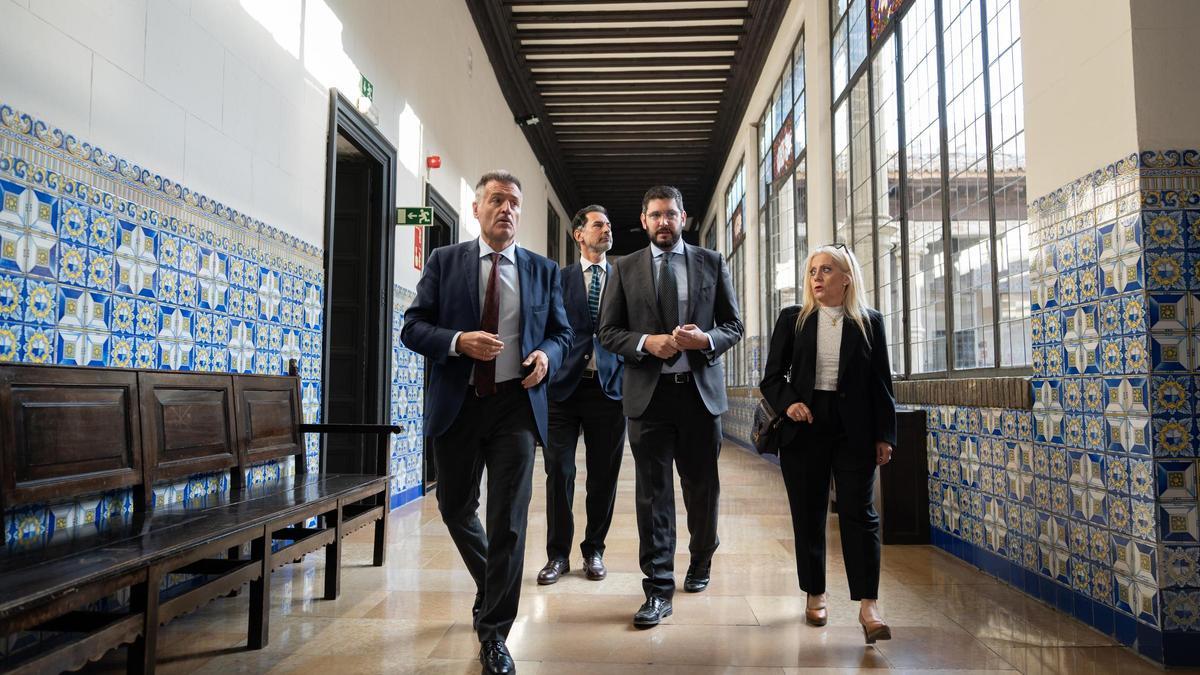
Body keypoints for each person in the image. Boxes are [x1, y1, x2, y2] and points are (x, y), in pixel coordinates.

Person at [400, 170, 572, 674]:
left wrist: (546, 355)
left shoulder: (542, 270)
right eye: (496, 200)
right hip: (459, 402)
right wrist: (458, 342)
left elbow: (562, 334)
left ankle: (494, 632)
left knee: (509, 522)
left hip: (515, 407)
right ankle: (493, 582)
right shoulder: (445, 262)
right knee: (455, 506)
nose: (507, 209)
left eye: (514, 202)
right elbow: (412, 326)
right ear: (476, 209)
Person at [598, 185, 743, 628]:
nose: (664, 222)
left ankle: (701, 557)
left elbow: (734, 324)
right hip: (649, 398)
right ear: (644, 221)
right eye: (655, 215)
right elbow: (608, 331)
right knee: (653, 494)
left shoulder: (711, 263)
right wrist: (645, 342)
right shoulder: (623, 268)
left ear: (685, 218)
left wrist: (707, 340)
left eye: (671, 214)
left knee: (701, 489)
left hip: (699, 395)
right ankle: (658, 587)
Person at [758, 243, 897, 645]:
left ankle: (869, 605)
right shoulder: (794, 320)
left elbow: (881, 384)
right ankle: (815, 592)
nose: (817, 277)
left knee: (860, 513)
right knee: (809, 512)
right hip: (804, 426)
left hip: (854, 427)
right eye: (813, 271)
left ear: (847, 278)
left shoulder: (869, 322)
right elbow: (771, 378)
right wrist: (792, 404)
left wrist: (884, 434)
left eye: (827, 270)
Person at [539, 205, 625, 585]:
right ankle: (557, 555)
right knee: (559, 472)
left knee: (603, 476)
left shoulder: (624, 278)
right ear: (579, 234)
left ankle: (594, 550)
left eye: (608, 224)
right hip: (562, 389)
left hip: (610, 390)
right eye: (597, 225)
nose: (606, 229)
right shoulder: (559, 279)